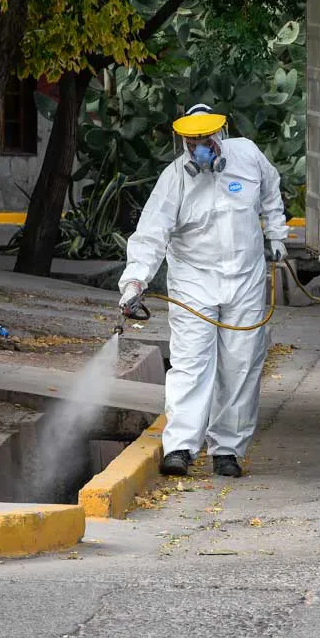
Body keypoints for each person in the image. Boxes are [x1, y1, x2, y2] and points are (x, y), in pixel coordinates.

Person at [118, 104, 288, 478]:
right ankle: (180, 447)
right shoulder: (175, 178)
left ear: (220, 135)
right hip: (194, 282)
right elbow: (151, 234)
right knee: (192, 364)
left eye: (205, 139)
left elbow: (272, 190)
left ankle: (227, 449)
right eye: (192, 141)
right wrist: (134, 283)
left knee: (241, 365)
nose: (200, 147)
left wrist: (276, 233)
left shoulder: (248, 157)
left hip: (245, 279)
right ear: (184, 142)